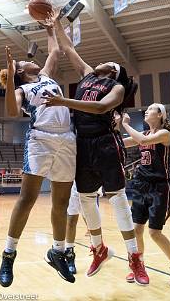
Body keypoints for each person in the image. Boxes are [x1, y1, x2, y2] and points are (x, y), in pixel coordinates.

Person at [41, 14, 149, 285]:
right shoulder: (88, 75)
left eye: (109, 61)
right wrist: (54, 25)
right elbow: (68, 48)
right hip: (82, 145)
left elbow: (101, 108)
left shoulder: (117, 87)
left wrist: (63, 101)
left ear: (113, 70)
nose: (102, 60)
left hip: (104, 143)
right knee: (87, 199)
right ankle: (98, 249)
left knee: (117, 198)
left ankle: (135, 259)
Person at [0, 25, 76, 287]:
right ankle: (9, 254)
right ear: (19, 71)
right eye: (22, 63)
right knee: (27, 198)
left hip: (67, 139)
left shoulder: (46, 75)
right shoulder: (21, 90)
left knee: (61, 202)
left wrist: (50, 27)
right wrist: (9, 76)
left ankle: (57, 250)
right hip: (40, 139)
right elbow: (10, 111)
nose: (31, 61)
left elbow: (55, 49)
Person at [122, 103, 170, 287]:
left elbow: (141, 141)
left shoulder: (164, 134)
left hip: (159, 188)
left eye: (150, 109)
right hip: (141, 186)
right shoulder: (146, 135)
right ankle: (138, 266)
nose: (146, 111)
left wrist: (125, 124)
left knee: (154, 232)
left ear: (160, 115)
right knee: (136, 230)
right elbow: (124, 143)